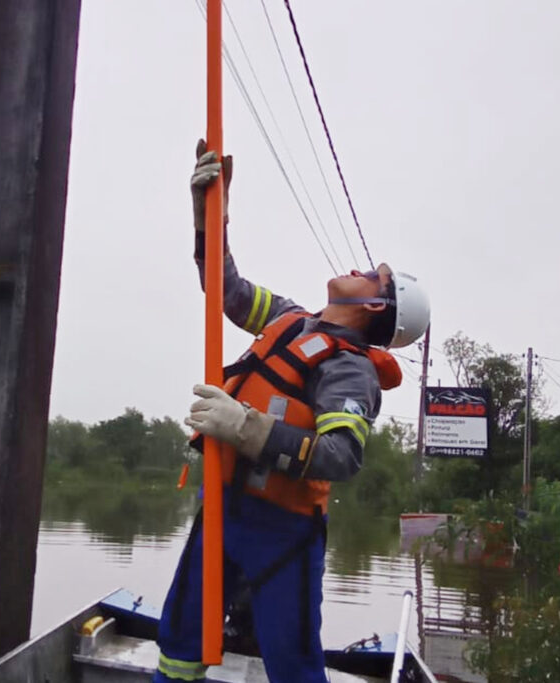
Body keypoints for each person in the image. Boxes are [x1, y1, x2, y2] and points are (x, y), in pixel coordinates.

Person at [152, 141, 431, 683]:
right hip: (223, 507)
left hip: (284, 531)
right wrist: (210, 216)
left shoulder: (351, 371)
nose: (360, 268)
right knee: (179, 643)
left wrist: (246, 428)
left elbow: (341, 456)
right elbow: (225, 291)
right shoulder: (291, 319)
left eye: (372, 276)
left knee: (293, 664)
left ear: (377, 306)